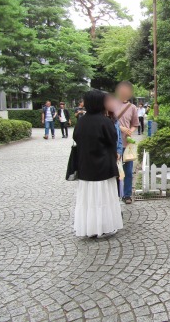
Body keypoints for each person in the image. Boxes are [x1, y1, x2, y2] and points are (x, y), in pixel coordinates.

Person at [72, 90, 123, 238]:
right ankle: (104, 227)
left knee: (88, 199)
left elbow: (76, 138)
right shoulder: (105, 121)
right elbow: (112, 140)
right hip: (103, 167)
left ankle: (89, 228)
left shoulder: (81, 121)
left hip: (85, 167)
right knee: (104, 198)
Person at [116, 81, 139, 205]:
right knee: (115, 171)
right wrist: (120, 128)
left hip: (127, 144)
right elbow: (108, 122)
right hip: (114, 144)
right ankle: (115, 195)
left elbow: (135, 124)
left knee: (128, 171)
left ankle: (127, 194)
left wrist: (131, 130)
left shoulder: (133, 108)